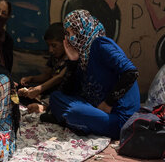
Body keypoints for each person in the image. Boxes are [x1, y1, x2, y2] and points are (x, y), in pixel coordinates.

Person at [42, 10, 139, 139]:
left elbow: (131, 72)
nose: (68, 38)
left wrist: (108, 103)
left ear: (83, 31)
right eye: (66, 33)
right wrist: (73, 61)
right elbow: (69, 91)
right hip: (96, 110)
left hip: (119, 118)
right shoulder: (83, 56)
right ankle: (78, 123)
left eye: (72, 33)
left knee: (74, 112)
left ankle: (72, 121)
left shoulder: (101, 45)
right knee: (55, 97)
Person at [18, 23, 68, 113]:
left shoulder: (71, 59)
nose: (50, 50)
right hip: (48, 92)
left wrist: (39, 89)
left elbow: (59, 78)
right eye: (48, 46)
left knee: (57, 98)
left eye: (54, 45)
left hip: (61, 94)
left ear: (65, 42)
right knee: (20, 92)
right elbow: (46, 76)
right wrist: (31, 79)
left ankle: (44, 107)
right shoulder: (54, 58)